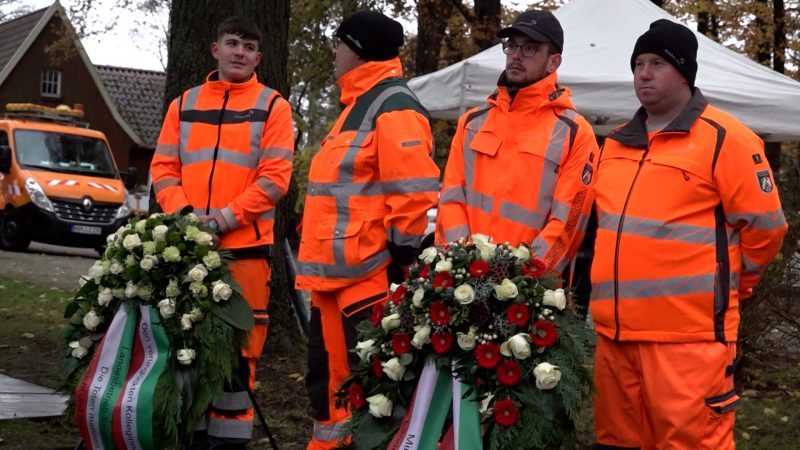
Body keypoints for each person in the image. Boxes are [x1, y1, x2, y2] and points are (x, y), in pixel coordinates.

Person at [590, 19, 787, 449]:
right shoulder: (617, 144)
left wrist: (730, 288)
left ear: (685, 73)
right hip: (615, 339)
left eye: (657, 63)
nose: (643, 73)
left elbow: (766, 230)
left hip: (688, 341)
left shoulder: (727, 140)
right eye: (638, 63)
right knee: (616, 442)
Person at [294, 10, 440, 450]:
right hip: (335, 278)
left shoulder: (392, 106)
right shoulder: (359, 104)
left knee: (359, 391)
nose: (334, 52)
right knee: (329, 387)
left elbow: (414, 193)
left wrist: (398, 259)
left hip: (365, 279)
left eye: (339, 43)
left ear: (356, 49)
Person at [150, 16, 294, 448]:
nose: (239, 53)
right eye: (232, 43)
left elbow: (275, 179)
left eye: (248, 47)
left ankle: (229, 442)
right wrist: (189, 220)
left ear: (258, 58)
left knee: (238, 353)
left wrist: (222, 222)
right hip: (187, 248)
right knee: (183, 342)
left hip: (245, 251)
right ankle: (186, 435)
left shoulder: (274, 107)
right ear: (215, 50)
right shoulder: (184, 104)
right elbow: (162, 169)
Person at [435, 9, 598, 275]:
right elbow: (451, 200)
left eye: (530, 48)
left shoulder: (575, 132)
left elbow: (567, 224)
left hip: (525, 297)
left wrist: (523, 285)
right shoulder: (472, 122)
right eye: (511, 46)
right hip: (463, 282)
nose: (517, 55)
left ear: (553, 62)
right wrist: (462, 266)